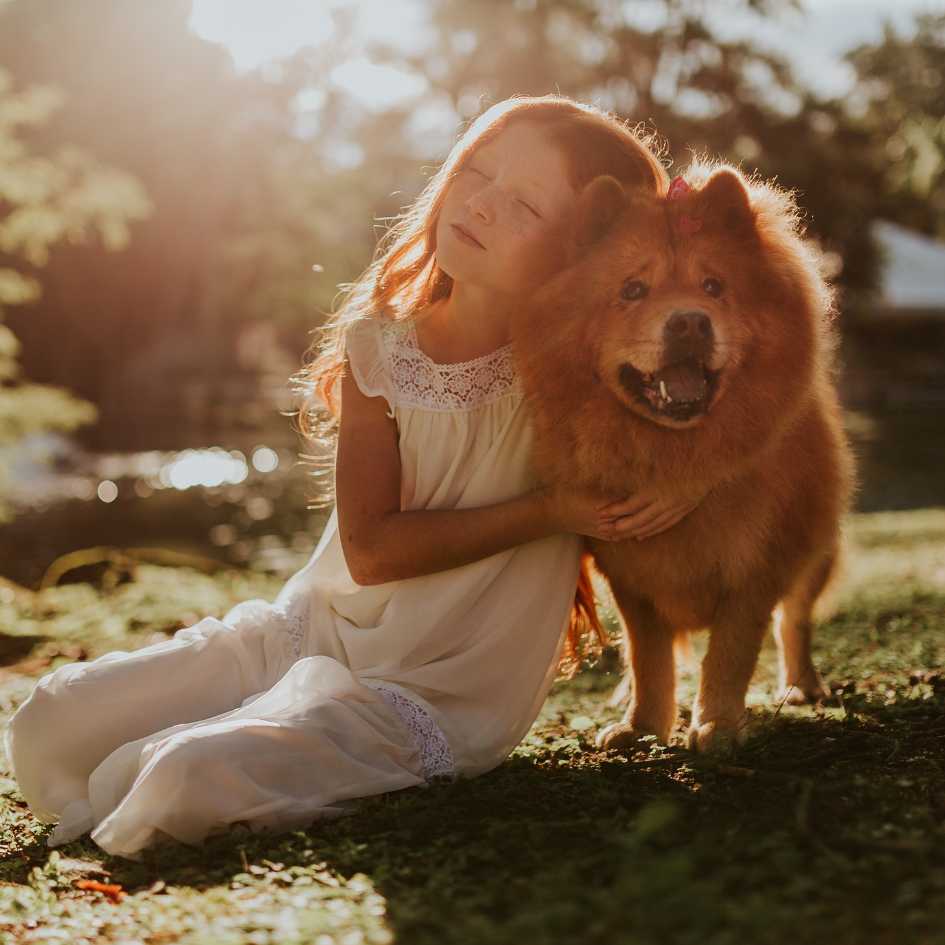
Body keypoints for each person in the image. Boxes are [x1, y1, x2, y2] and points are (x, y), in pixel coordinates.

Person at [4, 94, 705, 861]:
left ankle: (196, 756)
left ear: (583, 252)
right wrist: (550, 510)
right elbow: (369, 553)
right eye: (476, 171)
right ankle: (193, 737)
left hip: (434, 690)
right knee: (50, 719)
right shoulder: (380, 346)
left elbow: (713, 424)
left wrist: (681, 482)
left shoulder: (585, 372)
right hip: (313, 631)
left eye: (525, 204)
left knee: (182, 776)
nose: (480, 204)